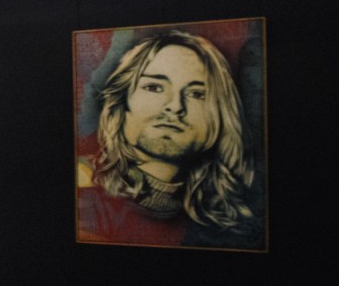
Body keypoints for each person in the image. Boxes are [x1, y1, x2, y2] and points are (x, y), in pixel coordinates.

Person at [76, 28, 260, 248]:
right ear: (120, 104)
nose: (175, 106)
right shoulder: (82, 193)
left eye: (196, 94)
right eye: (154, 87)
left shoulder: (233, 217)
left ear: (222, 114)